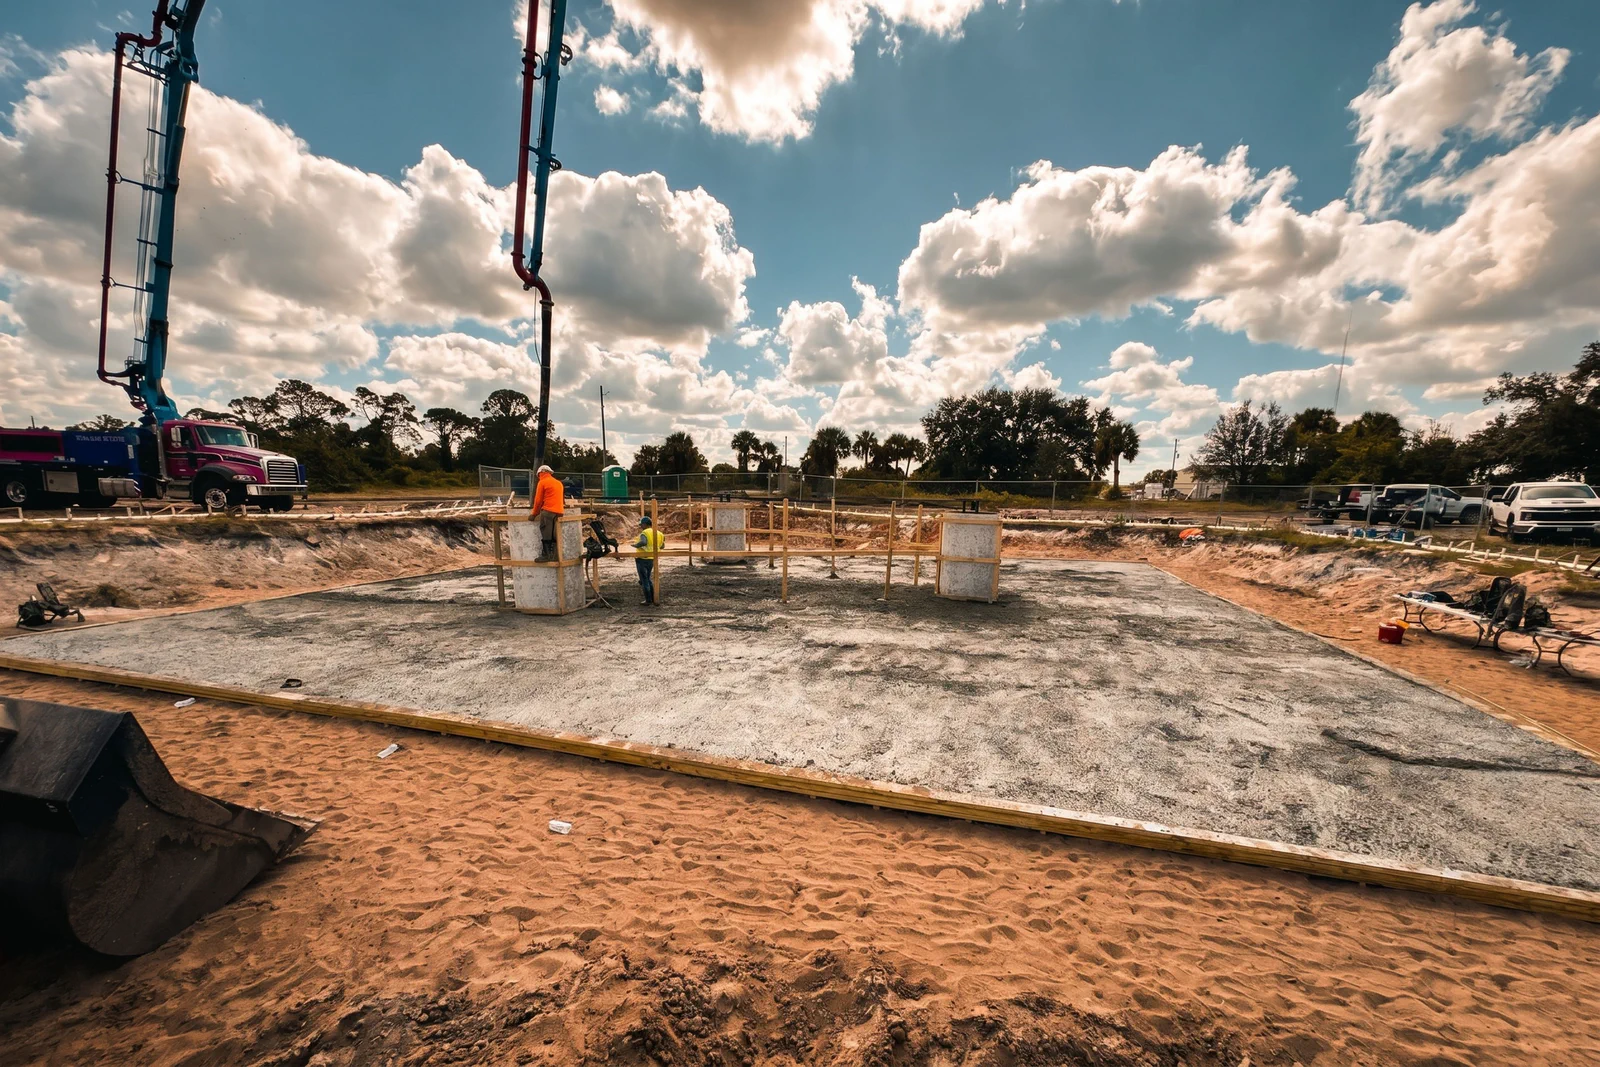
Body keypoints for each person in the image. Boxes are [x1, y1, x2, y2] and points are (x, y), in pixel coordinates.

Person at [529, 464, 564, 559]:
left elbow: (538, 500)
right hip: (559, 512)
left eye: (539, 475)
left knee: (545, 531)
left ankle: (546, 555)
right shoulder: (558, 483)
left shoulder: (543, 482)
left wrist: (534, 514)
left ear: (541, 473)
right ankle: (555, 555)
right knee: (554, 533)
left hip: (548, 511)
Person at [633, 515, 664, 605]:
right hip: (652, 559)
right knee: (647, 578)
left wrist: (636, 545)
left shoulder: (645, 533)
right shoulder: (659, 533)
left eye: (641, 525)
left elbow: (643, 542)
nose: (640, 526)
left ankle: (648, 600)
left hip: (642, 559)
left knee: (644, 580)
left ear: (645, 524)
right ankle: (653, 598)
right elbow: (662, 546)